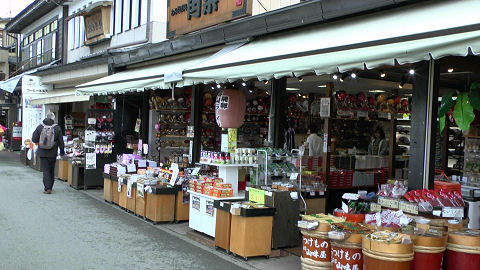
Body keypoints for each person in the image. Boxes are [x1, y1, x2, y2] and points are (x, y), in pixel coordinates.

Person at [32, 112, 65, 194]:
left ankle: (47, 188)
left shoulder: (40, 127)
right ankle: (50, 186)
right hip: (53, 153)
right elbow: (61, 141)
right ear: (53, 119)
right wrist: (62, 152)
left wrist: (41, 142)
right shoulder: (57, 128)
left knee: (45, 170)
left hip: (42, 152)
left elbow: (34, 139)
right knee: (51, 170)